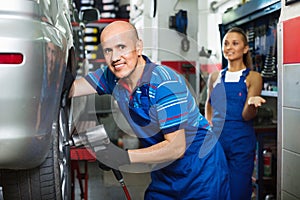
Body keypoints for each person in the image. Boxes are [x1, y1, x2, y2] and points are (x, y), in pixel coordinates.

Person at [69, 20, 230, 199]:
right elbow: (72, 89)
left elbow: (176, 148)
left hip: (201, 170)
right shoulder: (111, 77)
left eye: (121, 47)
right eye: (108, 50)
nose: (115, 57)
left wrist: (122, 157)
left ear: (138, 47)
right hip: (165, 171)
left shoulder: (164, 83)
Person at [205, 27, 266, 200]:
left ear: (245, 48)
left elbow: (246, 116)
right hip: (217, 142)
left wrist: (252, 104)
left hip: (240, 143)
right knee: (215, 190)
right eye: (226, 43)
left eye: (235, 43)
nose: (229, 47)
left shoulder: (253, 77)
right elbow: (209, 104)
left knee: (238, 191)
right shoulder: (215, 77)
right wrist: (208, 121)